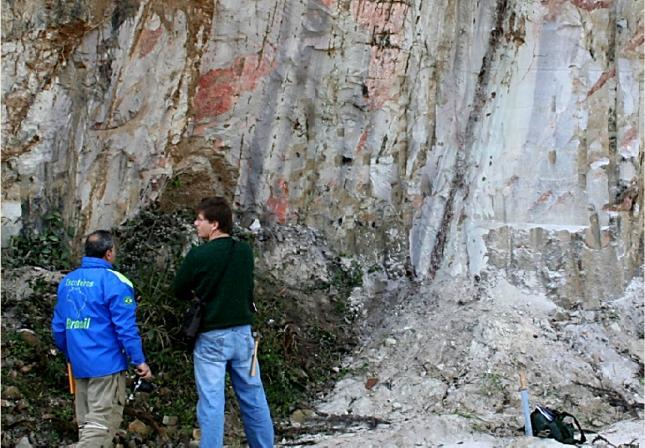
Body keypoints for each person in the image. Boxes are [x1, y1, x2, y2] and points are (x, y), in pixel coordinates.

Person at [173, 197, 274, 448]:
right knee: (253, 397)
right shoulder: (243, 251)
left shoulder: (199, 255)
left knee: (211, 402)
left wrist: (196, 296)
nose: (196, 223)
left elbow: (177, 290)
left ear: (214, 224)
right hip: (243, 334)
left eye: (200, 219)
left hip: (211, 337)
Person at [52, 230, 152, 447]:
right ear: (108, 253)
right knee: (99, 426)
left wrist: (71, 355)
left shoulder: (68, 281)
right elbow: (125, 327)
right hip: (106, 365)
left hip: (78, 364)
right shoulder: (116, 282)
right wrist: (139, 360)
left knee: (86, 426)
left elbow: (59, 328)